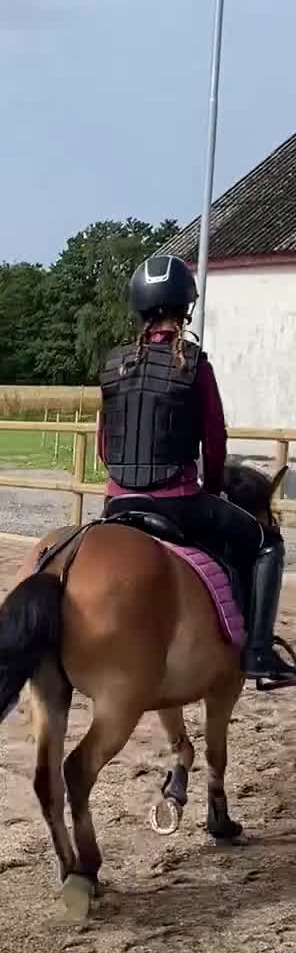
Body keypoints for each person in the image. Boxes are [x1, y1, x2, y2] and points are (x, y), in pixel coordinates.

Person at [96, 252, 295, 689]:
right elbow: (215, 441)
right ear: (185, 308)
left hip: (116, 501)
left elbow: (104, 447)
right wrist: (217, 487)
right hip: (177, 502)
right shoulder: (195, 365)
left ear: (140, 309)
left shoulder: (114, 365)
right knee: (267, 544)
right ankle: (260, 654)